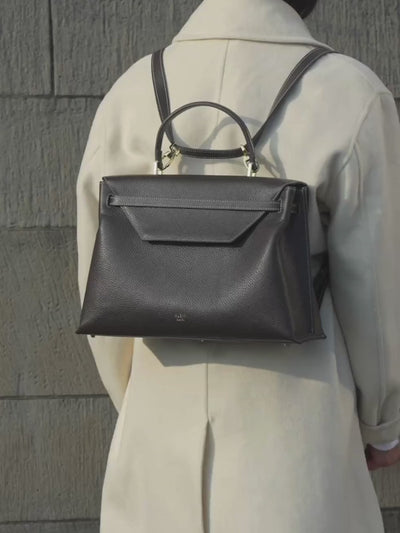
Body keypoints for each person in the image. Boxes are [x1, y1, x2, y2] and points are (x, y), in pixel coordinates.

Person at [75, 0, 400, 531]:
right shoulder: (349, 94)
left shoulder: (130, 92)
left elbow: (98, 279)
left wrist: (138, 404)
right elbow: (376, 296)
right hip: (297, 455)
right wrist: (384, 424)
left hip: (155, 453)